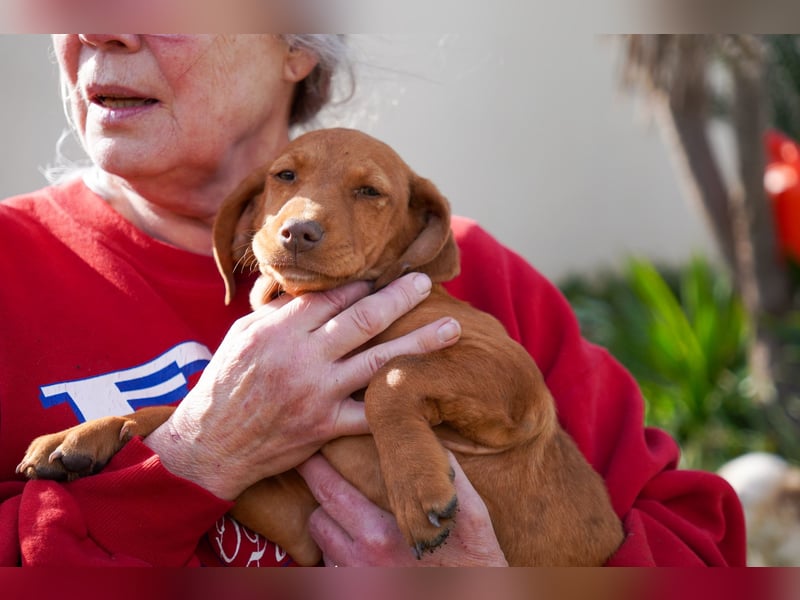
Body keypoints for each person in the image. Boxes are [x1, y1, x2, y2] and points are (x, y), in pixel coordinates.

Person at [0, 34, 745, 567]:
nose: (103, 26)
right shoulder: (15, 265)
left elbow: (701, 545)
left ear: (296, 42)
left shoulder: (468, 273)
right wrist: (195, 456)